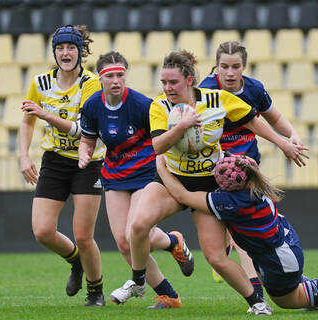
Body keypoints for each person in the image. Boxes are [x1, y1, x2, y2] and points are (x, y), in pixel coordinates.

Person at [111, 50, 306, 314]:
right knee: (137, 226)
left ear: (189, 80)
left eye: (173, 82)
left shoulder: (216, 99)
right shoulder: (160, 106)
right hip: (171, 178)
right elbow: (157, 146)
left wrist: (283, 143)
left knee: (216, 257)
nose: (167, 88)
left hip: (208, 185)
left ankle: (257, 303)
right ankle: (138, 281)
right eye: (164, 83)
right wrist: (182, 126)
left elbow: (253, 122)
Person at [78, 51, 194, 309]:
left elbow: (161, 140)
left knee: (135, 234)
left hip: (144, 173)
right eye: (110, 76)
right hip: (115, 175)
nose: (116, 80)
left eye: (120, 75)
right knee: (123, 242)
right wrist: (84, 154)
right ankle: (170, 289)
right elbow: (87, 140)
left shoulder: (143, 104)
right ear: (101, 79)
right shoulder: (92, 105)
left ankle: (169, 258)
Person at [199, 40, 308, 305]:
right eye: (224, 66)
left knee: (245, 233)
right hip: (216, 171)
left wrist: (292, 135)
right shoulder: (205, 91)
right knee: (240, 230)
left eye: (236, 66)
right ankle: (249, 278)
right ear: (216, 68)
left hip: (247, 172)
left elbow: (276, 119)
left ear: (244, 67)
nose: (230, 72)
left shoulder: (254, 89)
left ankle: (259, 286)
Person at [156, 153, 318, 313]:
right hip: (283, 247)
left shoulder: (233, 202)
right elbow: (246, 162)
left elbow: (182, 196)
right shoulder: (255, 181)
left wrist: (161, 167)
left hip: (279, 259)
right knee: (289, 290)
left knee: (286, 300)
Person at [19, 25, 106, 307]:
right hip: (54, 161)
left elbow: (83, 130)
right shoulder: (41, 83)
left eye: (71, 48)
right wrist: (23, 155)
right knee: (42, 231)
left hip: (87, 161)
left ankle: (95, 292)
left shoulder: (91, 83)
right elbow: (27, 120)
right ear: (54, 52)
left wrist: (45, 114)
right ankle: (77, 263)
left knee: (83, 235)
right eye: (60, 48)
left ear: (81, 52)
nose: (65, 53)